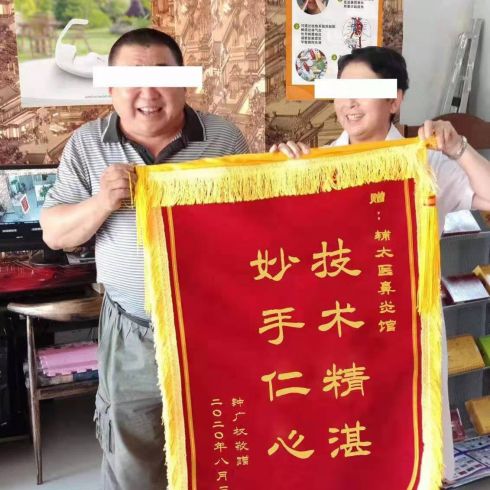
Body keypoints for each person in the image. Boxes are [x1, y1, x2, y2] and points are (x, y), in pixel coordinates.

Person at [40, 28, 249, 490]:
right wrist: (102, 202)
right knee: (133, 453)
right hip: (132, 329)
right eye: (132, 79)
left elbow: (255, 226)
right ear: (111, 88)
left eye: (163, 77)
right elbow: (55, 233)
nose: (148, 94)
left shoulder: (224, 139)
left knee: (220, 443)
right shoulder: (87, 144)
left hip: (213, 328)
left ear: (184, 83)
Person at [270, 46, 490, 481]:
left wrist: (459, 148)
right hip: (336, 331)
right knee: (346, 447)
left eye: (364, 91)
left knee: (409, 446)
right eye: (341, 92)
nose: (349, 104)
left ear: (394, 99)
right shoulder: (313, 164)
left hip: (404, 332)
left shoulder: (424, 163)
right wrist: (274, 177)